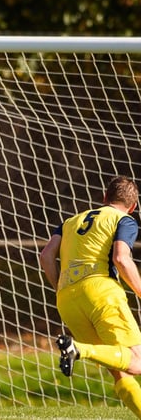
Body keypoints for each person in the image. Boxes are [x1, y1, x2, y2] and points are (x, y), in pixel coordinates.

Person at [40, 175, 141, 418]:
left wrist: (60, 288)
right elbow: (121, 258)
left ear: (104, 198)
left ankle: (79, 349)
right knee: (137, 362)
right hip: (101, 293)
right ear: (133, 206)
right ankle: (79, 349)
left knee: (120, 371)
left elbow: (45, 256)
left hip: (66, 298)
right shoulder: (124, 220)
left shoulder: (69, 221)